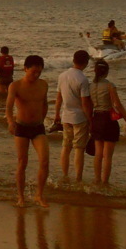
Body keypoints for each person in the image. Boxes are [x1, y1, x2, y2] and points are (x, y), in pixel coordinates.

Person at [5, 55, 50, 208]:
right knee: (22, 162)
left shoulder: (43, 85)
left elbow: (44, 104)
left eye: (39, 72)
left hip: (38, 127)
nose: (36, 75)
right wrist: (10, 122)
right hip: (21, 127)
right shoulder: (15, 86)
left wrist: (43, 119)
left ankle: (39, 195)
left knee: (44, 160)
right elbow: (9, 107)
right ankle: (21, 197)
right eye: (33, 72)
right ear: (25, 69)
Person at [89, 61, 126, 187]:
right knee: (107, 156)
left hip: (96, 118)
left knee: (98, 154)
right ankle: (105, 182)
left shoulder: (90, 86)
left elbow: (88, 105)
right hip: (108, 119)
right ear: (107, 72)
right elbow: (117, 104)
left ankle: (97, 180)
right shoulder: (110, 85)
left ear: (95, 71)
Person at [54, 50, 94, 184]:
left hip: (66, 116)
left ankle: (65, 175)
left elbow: (58, 98)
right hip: (79, 118)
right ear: (86, 63)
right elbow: (85, 103)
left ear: (73, 60)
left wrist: (56, 115)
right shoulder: (82, 79)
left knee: (66, 147)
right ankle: (78, 178)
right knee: (79, 149)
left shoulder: (62, 75)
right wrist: (90, 119)